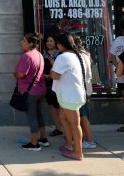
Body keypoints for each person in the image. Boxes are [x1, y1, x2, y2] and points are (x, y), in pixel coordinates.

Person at [50, 33, 88, 161]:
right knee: (65, 119)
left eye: (57, 43)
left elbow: (54, 76)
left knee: (74, 124)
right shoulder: (76, 56)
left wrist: (52, 66)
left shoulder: (63, 57)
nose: (56, 45)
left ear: (61, 44)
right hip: (70, 95)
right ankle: (69, 145)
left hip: (69, 96)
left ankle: (78, 152)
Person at [14, 33, 47, 151]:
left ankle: (34, 143)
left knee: (32, 116)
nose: (21, 43)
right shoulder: (39, 55)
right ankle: (43, 138)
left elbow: (20, 75)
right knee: (38, 114)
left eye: (23, 41)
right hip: (40, 89)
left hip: (30, 91)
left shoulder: (27, 56)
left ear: (30, 44)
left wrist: (15, 74)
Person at [74, 36, 95, 150]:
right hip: (87, 87)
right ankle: (86, 138)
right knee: (83, 115)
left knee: (83, 116)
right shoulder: (86, 54)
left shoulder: (79, 55)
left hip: (82, 88)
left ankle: (90, 140)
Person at [42, 34, 63, 137]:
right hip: (47, 84)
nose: (49, 43)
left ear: (56, 43)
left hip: (57, 83)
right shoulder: (43, 55)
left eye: (51, 41)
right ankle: (58, 128)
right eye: (47, 41)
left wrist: (49, 75)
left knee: (60, 107)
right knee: (52, 106)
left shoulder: (60, 55)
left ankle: (65, 128)